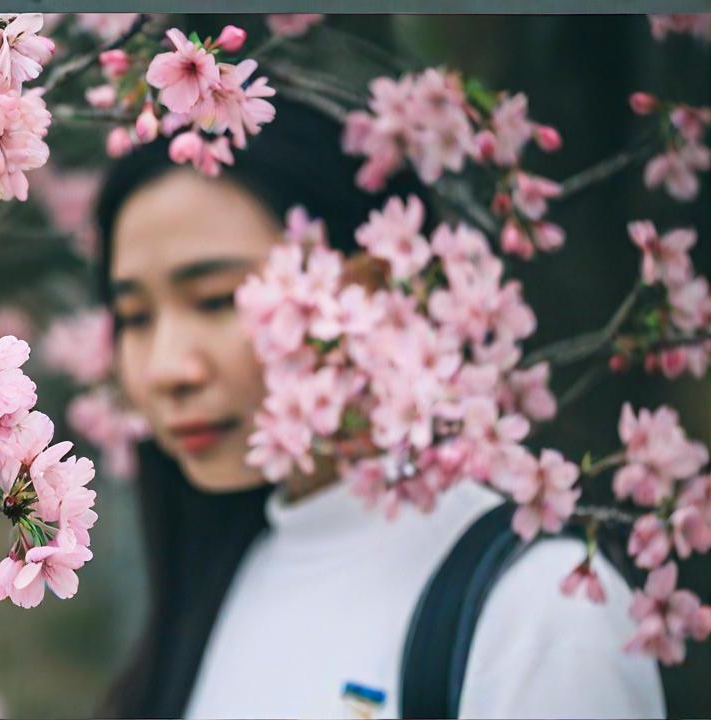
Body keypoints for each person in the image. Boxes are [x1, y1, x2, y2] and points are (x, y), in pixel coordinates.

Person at [94, 98, 667, 719]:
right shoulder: (224, 579)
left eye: (214, 299)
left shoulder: (540, 611)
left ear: (367, 292)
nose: (165, 368)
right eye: (134, 317)